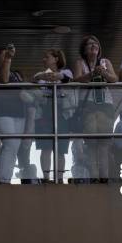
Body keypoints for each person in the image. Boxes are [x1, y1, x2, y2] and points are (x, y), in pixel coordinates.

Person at [72, 35, 118, 183]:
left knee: (104, 144)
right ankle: (94, 177)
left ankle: (104, 177)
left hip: (105, 104)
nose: (93, 46)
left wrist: (102, 72)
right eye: (89, 44)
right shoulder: (80, 62)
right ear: (84, 50)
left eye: (95, 44)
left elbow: (114, 79)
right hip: (88, 104)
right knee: (91, 143)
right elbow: (76, 79)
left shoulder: (106, 62)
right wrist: (92, 74)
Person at [32, 49, 73, 182]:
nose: (44, 59)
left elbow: (67, 79)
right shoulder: (40, 74)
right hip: (44, 113)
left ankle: (60, 178)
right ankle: (46, 178)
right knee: (45, 147)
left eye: (46, 57)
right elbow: (34, 80)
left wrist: (57, 76)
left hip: (62, 114)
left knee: (61, 149)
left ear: (56, 59)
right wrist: (41, 77)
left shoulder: (66, 72)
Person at [0, 44, 27, 183]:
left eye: (8, 54)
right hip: (4, 113)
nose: (7, 56)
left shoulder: (16, 74)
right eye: (4, 54)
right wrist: (8, 59)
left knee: (14, 147)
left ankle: (5, 177)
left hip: (20, 113)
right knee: (11, 144)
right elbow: (4, 79)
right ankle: (3, 180)